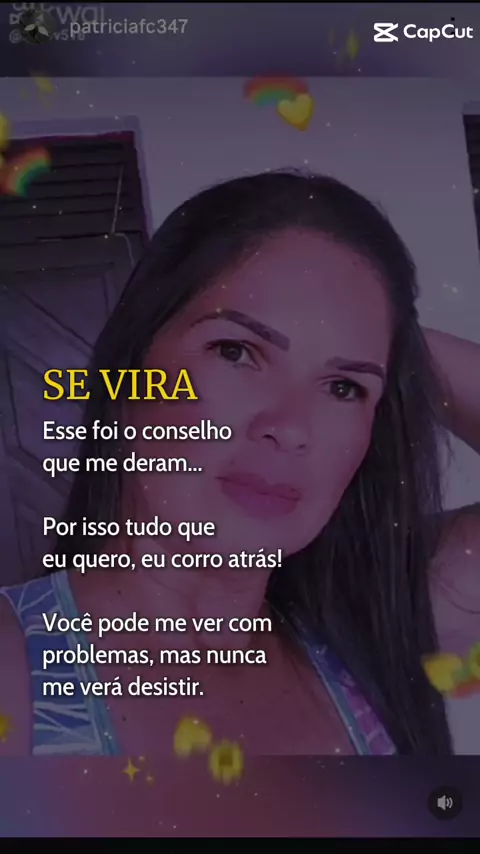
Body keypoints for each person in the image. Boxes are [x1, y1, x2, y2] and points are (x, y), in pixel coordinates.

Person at [0, 170, 479, 758]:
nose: (290, 427)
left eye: (344, 386)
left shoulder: (366, 635)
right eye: (235, 351)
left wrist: (393, 339)